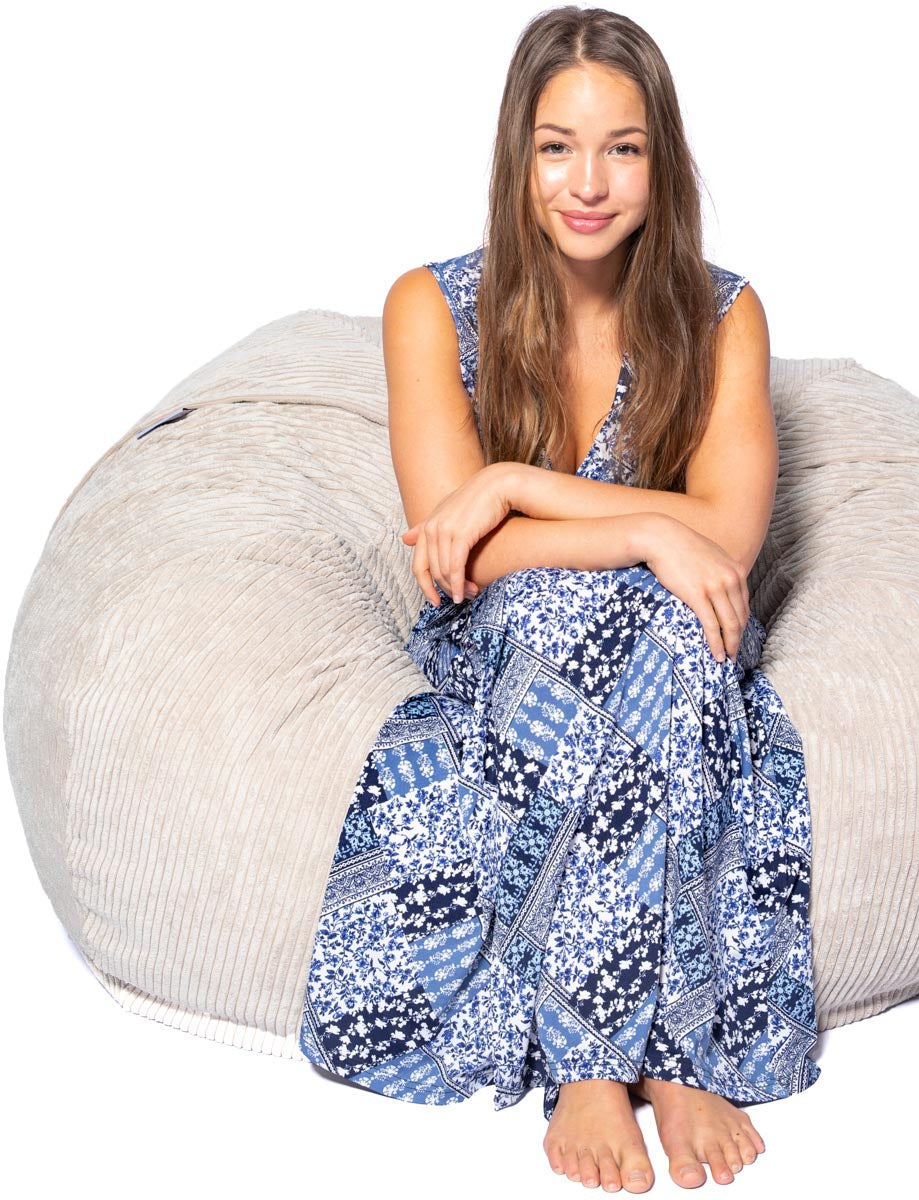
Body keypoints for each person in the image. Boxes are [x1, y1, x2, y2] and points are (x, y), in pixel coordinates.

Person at [299, 5, 821, 1192]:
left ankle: (644, 1053)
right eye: (557, 147)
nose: (588, 184)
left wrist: (520, 484)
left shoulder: (725, 315)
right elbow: (460, 558)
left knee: (677, 631)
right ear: (517, 154)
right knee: (569, 621)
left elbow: (730, 540)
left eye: (622, 149)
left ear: (661, 162)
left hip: (669, 631)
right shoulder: (430, 304)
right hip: (504, 633)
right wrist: (645, 525)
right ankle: (626, 1057)